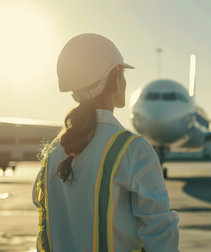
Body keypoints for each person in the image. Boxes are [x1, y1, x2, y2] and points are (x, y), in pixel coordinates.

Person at [32, 33, 179, 252]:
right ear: (113, 81)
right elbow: (160, 233)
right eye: (121, 73)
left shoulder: (53, 153)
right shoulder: (132, 150)